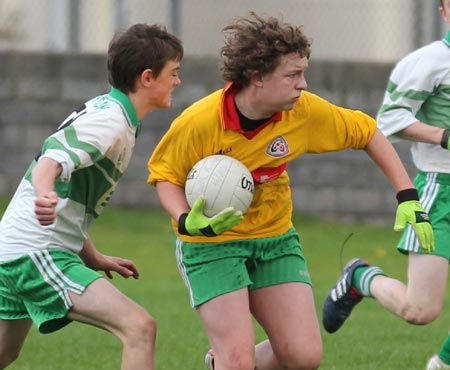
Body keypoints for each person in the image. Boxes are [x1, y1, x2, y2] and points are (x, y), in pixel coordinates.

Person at [147, 12, 434, 370]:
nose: (304, 84)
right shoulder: (201, 121)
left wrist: (407, 197)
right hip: (211, 246)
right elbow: (165, 176)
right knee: (237, 361)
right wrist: (188, 221)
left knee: (302, 356)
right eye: (293, 75)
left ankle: (218, 363)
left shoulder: (302, 112)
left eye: (304, 72)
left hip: (275, 238)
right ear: (257, 78)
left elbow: (368, 132)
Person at [0, 23, 183, 370]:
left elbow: (74, 198)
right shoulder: (110, 122)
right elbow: (50, 160)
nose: (177, 81)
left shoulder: (114, 115)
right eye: (173, 73)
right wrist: (44, 194)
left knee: (5, 353)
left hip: (16, 249)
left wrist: (93, 256)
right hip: (35, 251)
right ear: (147, 77)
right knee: (139, 327)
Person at [322, 0, 450, 368]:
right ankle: (361, 277)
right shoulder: (428, 62)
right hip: (440, 192)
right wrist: (444, 136)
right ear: (442, 13)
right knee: (421, 309)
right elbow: (389, 119)